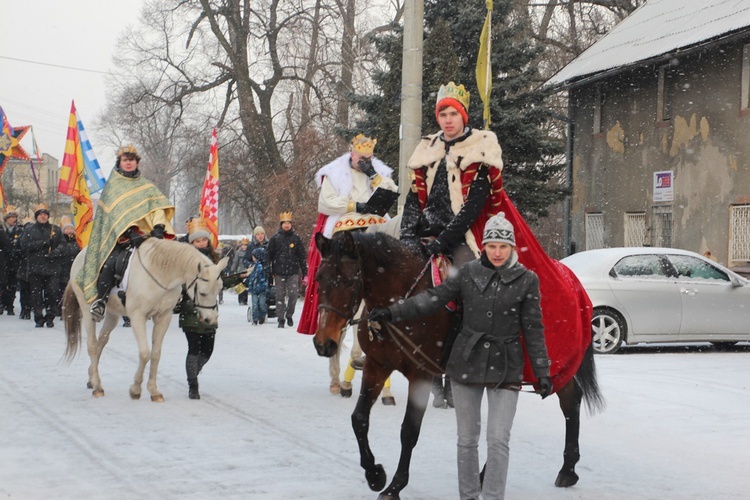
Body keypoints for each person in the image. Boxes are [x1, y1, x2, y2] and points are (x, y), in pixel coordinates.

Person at [369, 213, 553, 500]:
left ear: (512, 249)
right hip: (467, 360)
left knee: (498, 441)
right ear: (485, 247)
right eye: (492, 245)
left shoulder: (526, 281)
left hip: (506, 365)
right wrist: (393, 311)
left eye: (503, 247)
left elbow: (533, 328)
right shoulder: (467, 274)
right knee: (467, 440)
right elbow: (431, 299)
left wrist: (542, 370)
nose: (497, 252)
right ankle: (468, 496)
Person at [401, 81, 505, 407]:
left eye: (453, 114)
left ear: (463, 116)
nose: (447, 120)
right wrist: (407, 236)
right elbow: (414, 200)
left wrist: (444, 240)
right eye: (443, 113)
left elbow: (473, 206)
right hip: (424, 235)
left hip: (462, 238)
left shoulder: (480, 148)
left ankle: (459, 366)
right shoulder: (428, 149)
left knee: (467, 296)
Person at [76, 145, 175, 322]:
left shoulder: (146, 186)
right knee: (110, 263)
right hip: (120, 238)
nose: (128, 163)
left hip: (149, 237)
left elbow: (157, 207)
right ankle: (100, 300)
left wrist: (159, 227)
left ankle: (174, 297)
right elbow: (113, 215)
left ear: (137, 162)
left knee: (172, 260)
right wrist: (129, 233)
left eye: (132, 160)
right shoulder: (113, 187)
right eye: (125, 160)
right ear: (119, 162)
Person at [175, 218, 246, 399]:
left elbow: (221, 282)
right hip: (191, 311)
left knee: (207, 350)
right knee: (193, 348)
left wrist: (239, 278)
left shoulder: (215, 260)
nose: (201, 243)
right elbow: (178, 284)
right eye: (197, 241)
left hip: (210, 312)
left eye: (203, 240)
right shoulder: (184, 261)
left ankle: (194, 372)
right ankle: (193, 385)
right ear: (191, 243)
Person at [20, 203, 64, 328]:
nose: (43, 216)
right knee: (36, 295)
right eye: (40, 214)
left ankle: (50, 316)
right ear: (36, 216)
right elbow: (25, 245)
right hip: (35, 268)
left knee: (52, 293)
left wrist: (55, 252)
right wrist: (43, 243)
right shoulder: (29, 230)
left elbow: (63, 245)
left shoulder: (55, 229)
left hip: (52, 268)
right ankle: (38, 317)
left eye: (45, 214)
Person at [266, 212, 307, 329]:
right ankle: (280, 319)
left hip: (293, 272)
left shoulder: (296, 238)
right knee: (279, 296)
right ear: (281, 224)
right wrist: (268, 269)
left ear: (291, 224)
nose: (287, 225)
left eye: (288, 223)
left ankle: (289, 314)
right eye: (284, 223)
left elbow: (301, 257)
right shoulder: (275, 239)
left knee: (294, 294)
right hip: (278, 272)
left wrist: (305, 273)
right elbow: (268, 255)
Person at [55, 218, 81, 317]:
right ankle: (61, 309)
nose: (69, 231)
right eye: (67, 229)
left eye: (71, 228)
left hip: (74, 269)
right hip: (63, 269)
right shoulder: (61, 242)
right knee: (62, 290)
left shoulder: (78, 242)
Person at [1, 205, 23, 315]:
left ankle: (10, 305)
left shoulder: (19, 230)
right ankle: (2, 303)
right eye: (11, 217)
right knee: (2, 283)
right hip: (2, 260)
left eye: (15, 217)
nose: (13, 219)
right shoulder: (1, 229)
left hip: (14, 261)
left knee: (13, 283)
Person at [244, 247, 268, 325]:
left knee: (262, 304)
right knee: (255, 304)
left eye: (254, 256)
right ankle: (255, 319)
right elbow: (250, 276)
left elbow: (266, 277)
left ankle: (262, 316)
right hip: (254, 289)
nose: (252, 257)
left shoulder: (264, 267)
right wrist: (246, 282)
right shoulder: (253, 266)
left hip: (262, 289)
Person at [231, 237, 251, 305]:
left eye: (246, 245)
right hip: (240, 270)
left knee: (245, 285)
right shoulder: (238, 252)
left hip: (247, 270)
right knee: (240, 285)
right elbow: (235, 261)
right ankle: (240, 300)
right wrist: (232, 269)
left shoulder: (249, 252)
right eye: (243, 245)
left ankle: (245, 300)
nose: (244, 247)